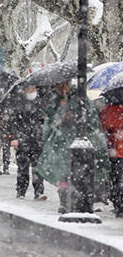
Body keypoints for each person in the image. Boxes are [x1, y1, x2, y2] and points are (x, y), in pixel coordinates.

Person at [37, 80, 110, 214]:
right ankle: (65, 201)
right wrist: (60, 114)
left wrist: (73, 115)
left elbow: (89, 116)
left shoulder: (80, 97)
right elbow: (50, 119)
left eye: (63, 85)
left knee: (78, 172)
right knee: (62, 171)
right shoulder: (55, 100)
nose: (61, 89)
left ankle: (79, 200)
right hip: (60, 141)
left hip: (78, 139)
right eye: (58, 86)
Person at [3, 85, 46, 199]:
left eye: (34, 89)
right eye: (29, 89)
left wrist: (44, 119)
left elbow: (44, 121)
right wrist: (13, 137)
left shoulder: (40, 103)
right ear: (25, 91)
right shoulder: (18, 104)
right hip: (23, 139)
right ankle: (21, 190)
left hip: (37, 139)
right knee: (23, 167)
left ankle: (38, 191)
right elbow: (12, 122)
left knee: (37, 167)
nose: (32, 91)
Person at [97, 91, 123, 217]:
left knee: (116, 179)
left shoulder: (107, 111)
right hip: (117, 151)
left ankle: (118, 204)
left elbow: (104, 127)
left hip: (114, 151)